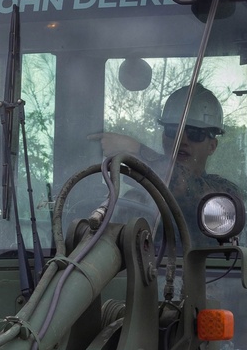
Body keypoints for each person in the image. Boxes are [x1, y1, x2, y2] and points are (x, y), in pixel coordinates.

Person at [98, 84, 239, 242]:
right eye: (173, 131)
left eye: (195, 134)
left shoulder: (224, 194)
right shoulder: (135, 199)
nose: (183, 140)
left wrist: (136, 150)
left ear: (212, 146)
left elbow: (182, 185)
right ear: (164, 137)